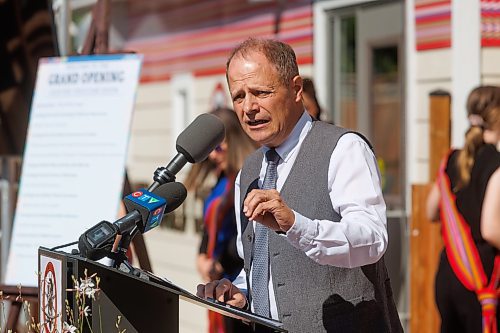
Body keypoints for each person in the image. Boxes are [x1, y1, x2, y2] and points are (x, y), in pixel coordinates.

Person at [196, 38, 402, 333]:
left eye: (261, 92)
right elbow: (258, 266)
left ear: (296, 89)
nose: (249, 108)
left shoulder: (343, 149)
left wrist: (296, 225)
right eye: (239, 96)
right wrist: (239, 292)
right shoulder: (249, 171)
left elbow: (372, 239)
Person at [426, 85, 500, 333]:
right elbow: (490, 229)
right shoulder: (496, 164)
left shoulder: (451, 159)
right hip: (481, 278)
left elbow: (431, 211)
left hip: (450, 270)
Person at [186, 107, 257, 333]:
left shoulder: (249, 181)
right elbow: (209, 228)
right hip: (218, 281)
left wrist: (219, 261)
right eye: (210, 150)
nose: (214, 155)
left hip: (240, 285)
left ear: (234, 142)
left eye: (218, 148)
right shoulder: (220, 181)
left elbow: (248, 235)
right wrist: (202, 256)